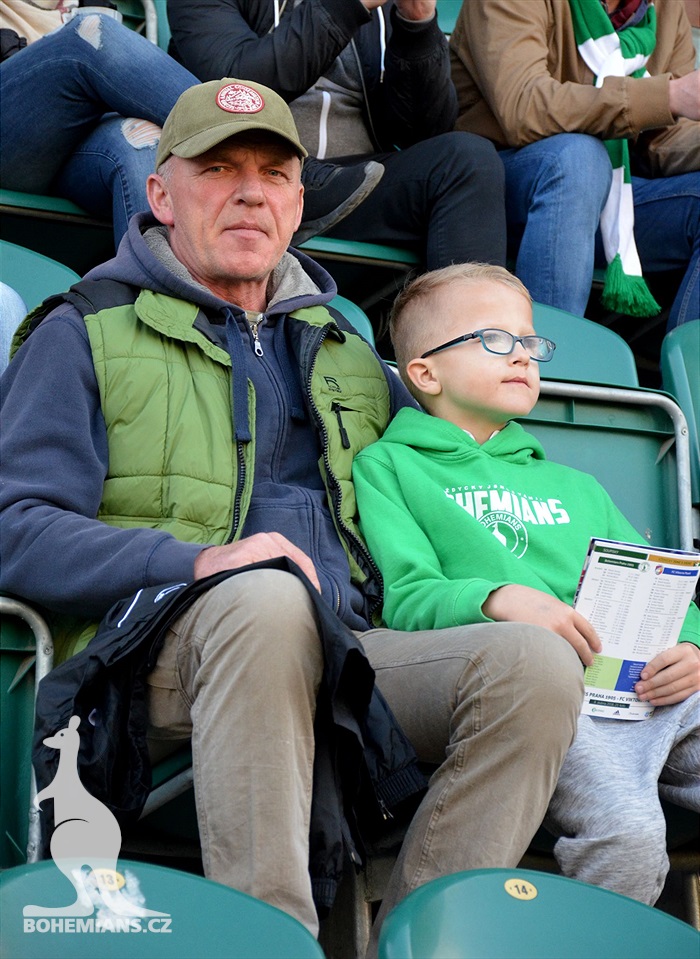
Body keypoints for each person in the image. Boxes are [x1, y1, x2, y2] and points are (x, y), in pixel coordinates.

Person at [0, 79, 584, 949]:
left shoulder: (350, 350)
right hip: (150, 653)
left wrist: (513, 598)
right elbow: (15, 525)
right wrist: (196, 563)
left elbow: (448, 493)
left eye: (274, 174)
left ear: (298, 203)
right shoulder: (83, 329)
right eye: (218, 169)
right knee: (267, 597)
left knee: (531, 666)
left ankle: (424, 938)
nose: (250, 193)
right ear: (161, 194)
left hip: (349, 647)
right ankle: (273, 940)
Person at [352, 262, 700, 906]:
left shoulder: (577, 486)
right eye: (494, 339)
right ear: (424, 373)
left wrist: (691, 647)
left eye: (530, 342)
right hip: (553, 700)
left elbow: (660, 588)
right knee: (629, 836)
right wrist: (494, 599)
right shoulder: (390, 466)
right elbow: (406, 597)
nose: (522, 355)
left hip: (652, 688)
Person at [0, 0, 382, 249]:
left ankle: (170, 322)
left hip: (73, 137)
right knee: (91, 34)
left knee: (143, 143)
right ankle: (273, 161)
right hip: (14, 126)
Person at [166, 0, 507, 270]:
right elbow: (238, 92)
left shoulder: (383, 11)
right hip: (253, 186)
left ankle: (477, 331)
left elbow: (425, 132)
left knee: (467, 160)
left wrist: (416, 22)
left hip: (357, 189)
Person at [449, 0, 700, 329]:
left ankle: (687, 362)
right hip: (493, 192)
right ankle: (551, 352)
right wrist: (666, 96)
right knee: (580, 158)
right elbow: (523, 106)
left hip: (611, 194)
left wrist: (671, 102)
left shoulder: (664, 8)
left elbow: (661, 141)